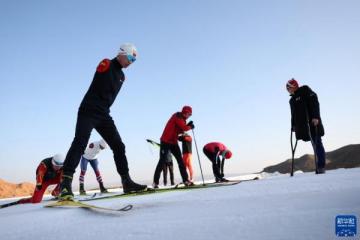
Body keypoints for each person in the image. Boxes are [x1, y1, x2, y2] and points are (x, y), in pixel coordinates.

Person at [59, 43, 147, 201]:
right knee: (80, 142)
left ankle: (126, 181)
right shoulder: (106, 64)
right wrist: (107, 64)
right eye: (129, 58)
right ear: (120, 54)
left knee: (119, 146)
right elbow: (101, 70)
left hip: (103, 114)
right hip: (88, 110)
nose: (130, 63)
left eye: (133, 61)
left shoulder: (122, 76)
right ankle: (65, 183)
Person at [286, 78, 326, 174]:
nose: (287, 89)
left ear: (294, 86)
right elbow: (293, 114)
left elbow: (315, 103)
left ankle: (321, 166)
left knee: (317, 143)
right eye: (287, 88)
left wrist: (316, 117)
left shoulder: (305, 91)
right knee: (313, 143)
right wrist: (293, 125)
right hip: (302, 126)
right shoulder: (292, 100)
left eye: (289, 87)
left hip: (312, 122)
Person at [153, 106, 195, 188]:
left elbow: (180, 130)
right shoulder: (177, 116)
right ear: (185, 112)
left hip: (173, 142)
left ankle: (186, 180)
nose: (189, 116)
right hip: (165, 141)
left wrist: (187, 126)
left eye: (190, 115)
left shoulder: (182, 119)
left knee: (181, 161)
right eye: (189, 114)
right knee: (162, 161)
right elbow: (184, 128)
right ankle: (155, 182)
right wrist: (190, 126)